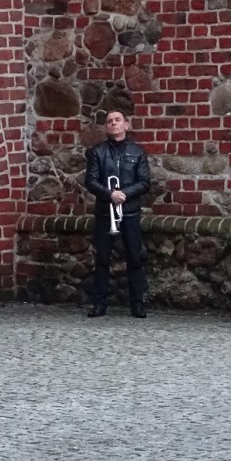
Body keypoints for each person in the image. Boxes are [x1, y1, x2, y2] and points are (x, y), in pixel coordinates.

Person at [84, 109, 151, 318]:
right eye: (109, 121)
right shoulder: (97, 152)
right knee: (102, 259)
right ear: (106, 127)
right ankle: (99, 304)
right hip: (105, 214)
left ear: (126, 125)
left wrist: (124, 194)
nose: (113, 123)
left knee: (135, 258)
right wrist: (110, 194)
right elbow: (90, 181)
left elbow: (145, 182)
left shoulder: (137, 152)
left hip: (129, 213)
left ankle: (137, 304)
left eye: (117, 120)